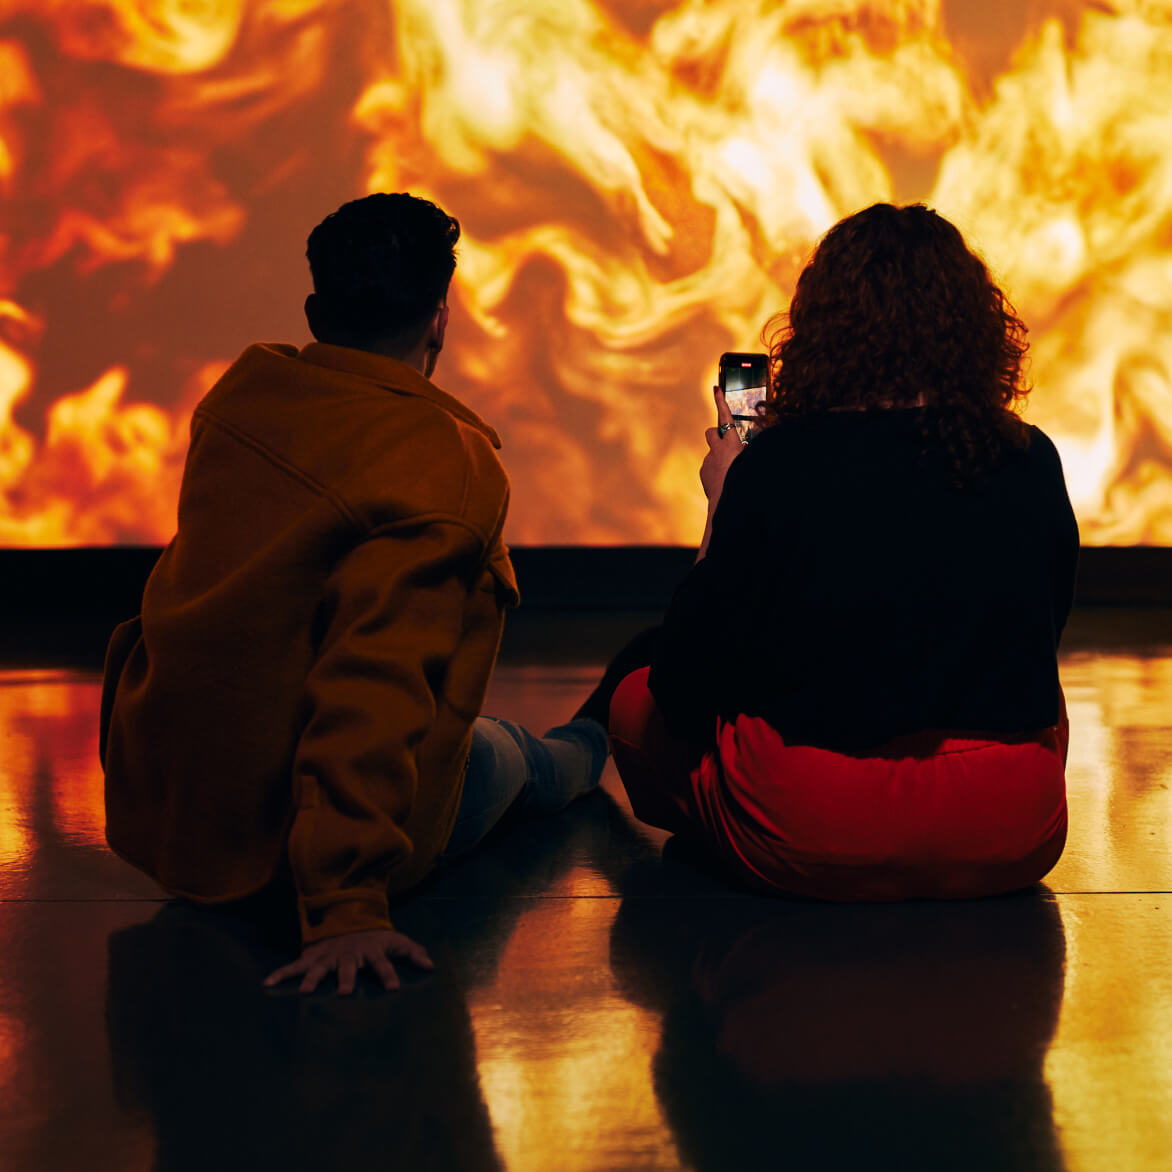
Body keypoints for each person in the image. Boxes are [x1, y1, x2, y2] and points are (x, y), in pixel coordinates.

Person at [100, 192, 609, 994]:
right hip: (294, 865)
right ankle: (594, 742)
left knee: (499, 742)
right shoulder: (445, 460)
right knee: (516, 759)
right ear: (441, 316)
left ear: (314, 309)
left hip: (178, 823)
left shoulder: (241, 399)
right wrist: (346, 906)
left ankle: (572, 743)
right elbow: (373, 686)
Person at [609, 202, 1078, 901]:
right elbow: (1043, 632)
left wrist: (722, 505)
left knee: (633, 703)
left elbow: (685, 682)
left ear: (825, 329)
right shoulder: (1029, 455)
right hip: (1012, 826)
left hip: (815, 826)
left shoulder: (780, 464)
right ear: (974, 328)